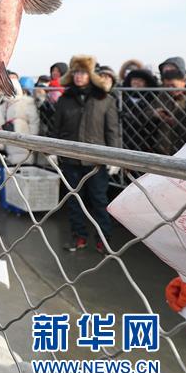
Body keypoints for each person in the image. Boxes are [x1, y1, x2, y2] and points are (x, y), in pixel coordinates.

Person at [48, 56, 120, 254]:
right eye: (76, 73)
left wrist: (115, 158)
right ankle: (78, 237)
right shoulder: (65, 99)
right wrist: (53, 150)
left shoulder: (105, 99)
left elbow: (112, 130)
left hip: (97, 160)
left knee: (99, 200)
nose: (79, 76)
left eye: (83, 73)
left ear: (91, 75)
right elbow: (56, 128)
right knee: (74, 200)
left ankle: (103, 240)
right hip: (70, 159)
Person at [0, 73, 40, 165]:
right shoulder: (3, 106)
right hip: (10, 138)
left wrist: (33, 139)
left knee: (25, 162)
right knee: (13, 163)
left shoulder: (26, 102)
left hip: (24, 138)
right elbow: (0, 125)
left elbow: (34, 122)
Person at [120, 68, 159, 153]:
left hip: (145, 141)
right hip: (124, 140)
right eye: (134, 79)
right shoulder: (121, 97)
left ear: (146, 83)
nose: (136, 82)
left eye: (140, 80)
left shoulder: (152, 99)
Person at [152, 67, 186, 156]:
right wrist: (155, 114)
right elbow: (147, 111)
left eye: (173, 85)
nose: (170, 88)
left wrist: (175, 121)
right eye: (167, 86)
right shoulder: (163, 96)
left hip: (183, 147)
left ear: (183, 82)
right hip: (163, 147)